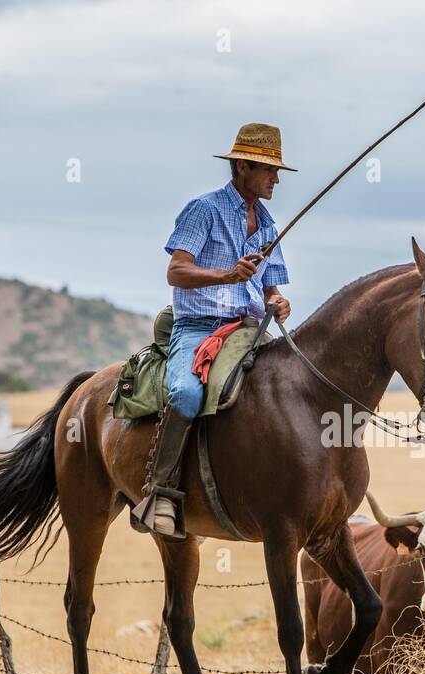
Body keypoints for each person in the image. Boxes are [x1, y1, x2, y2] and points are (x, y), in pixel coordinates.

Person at [132, 123, 294, 538]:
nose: (275, 178)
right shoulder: (203, 210)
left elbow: (270, 286)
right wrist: (225, 275)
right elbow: (176, 270)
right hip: (197, 326)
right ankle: (160, 491)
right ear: (242, 166)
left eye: (277, 171)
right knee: (185, 392)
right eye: (268, 170)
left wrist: (277, 302)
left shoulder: (270, 223)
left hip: (251, 328)